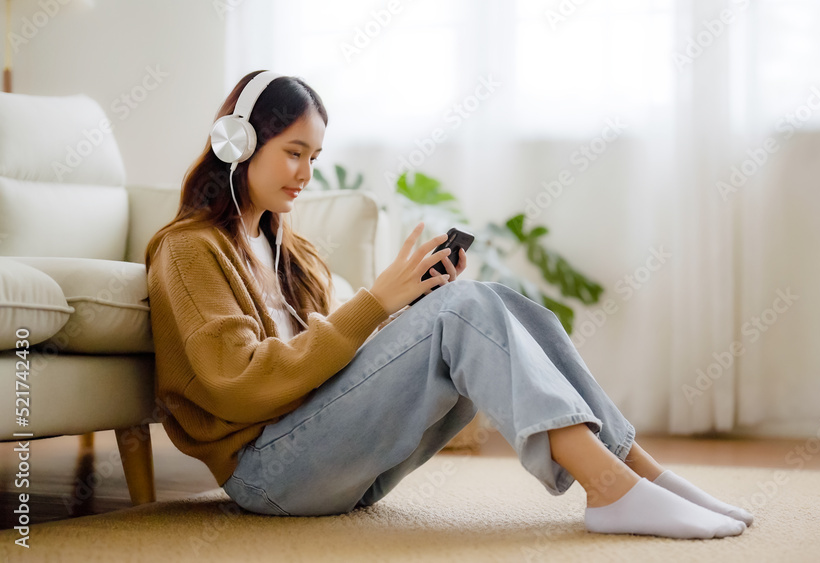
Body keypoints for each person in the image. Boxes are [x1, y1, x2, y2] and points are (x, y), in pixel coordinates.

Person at [144, 70, 753, 539]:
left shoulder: (289, 250)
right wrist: (377, 301)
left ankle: (640, 473)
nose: (305, 173)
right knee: (463, 311)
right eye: (294, 151)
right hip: (267, 475)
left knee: (483, 302)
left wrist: (405, 304)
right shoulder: (187, 250)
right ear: (238, 142)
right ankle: (611, 490)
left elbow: (332, 369)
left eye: (315, 157)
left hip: (332, 464)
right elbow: (238, 387)